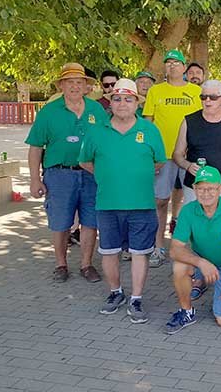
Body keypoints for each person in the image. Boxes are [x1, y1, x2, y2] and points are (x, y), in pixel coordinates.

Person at [79, 78, 165, 323]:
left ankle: (136, 299)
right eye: (117, 99)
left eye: (129, 99)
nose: (122, 103)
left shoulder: (150, 130)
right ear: (111, 103)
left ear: (137, 103)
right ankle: (115, 293)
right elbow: (85, 161)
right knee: (109, 252)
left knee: (140, 253)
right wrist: (108, 174)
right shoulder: (97, 131)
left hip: (141, 204)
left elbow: (159, 161)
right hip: (107, 204)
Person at [25, 62, 108, 283]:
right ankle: (60, 264)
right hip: (59, 174)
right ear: (61, 85)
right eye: (69, 82)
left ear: (86, 86)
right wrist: (34, 179)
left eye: (79, 82)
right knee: (60, 222)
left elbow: (108, 142)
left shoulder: (96, 110)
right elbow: (35, 148)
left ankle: (86, 265)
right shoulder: (49, 112)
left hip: (91, 174)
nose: (74, 86)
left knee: (91, 221)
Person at [165, 165, 221, 334]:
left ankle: (218, 282)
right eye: (201, 188)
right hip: (202, 259)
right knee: (179, 266)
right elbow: (175, 250)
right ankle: (187, 311)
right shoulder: (188, 210)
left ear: (220, 189)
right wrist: (201, 262)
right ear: (195, 189)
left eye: (211, 188)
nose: (206, 193)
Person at [142, 49, 202, 267]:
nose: (172, 66)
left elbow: (202, 121)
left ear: (184, 68)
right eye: (168, 63)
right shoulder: (156, 91)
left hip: (189, 157)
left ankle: (190, 250)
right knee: (160, 201)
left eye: (176, 62)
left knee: (193, 203)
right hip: (163, 156)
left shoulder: (196, 92)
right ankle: (158, 247)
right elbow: (147, 125)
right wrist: (150, 154)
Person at [173, 79, 221, 205]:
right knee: (195, 224)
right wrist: (187, 165)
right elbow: (177, 154)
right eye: (203, 97)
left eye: (213, 97)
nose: (207, 101)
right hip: (197, 187)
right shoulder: (188, 121)